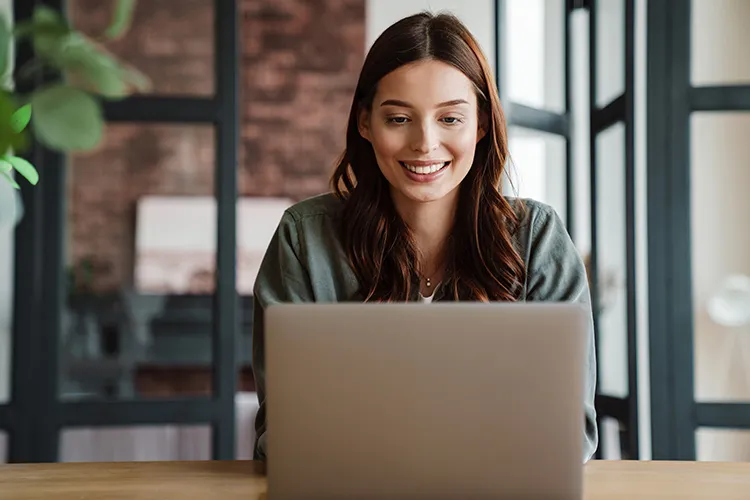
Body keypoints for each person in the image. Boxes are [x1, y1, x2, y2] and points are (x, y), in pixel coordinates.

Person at [251, 11, 598, 462]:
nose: (425, 143)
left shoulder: (537, 239)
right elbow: (283, 436)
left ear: (481, 125)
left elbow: (569, 433)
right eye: (399, 119)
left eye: (450, 119)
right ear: (364, 123)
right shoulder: (304, 240)